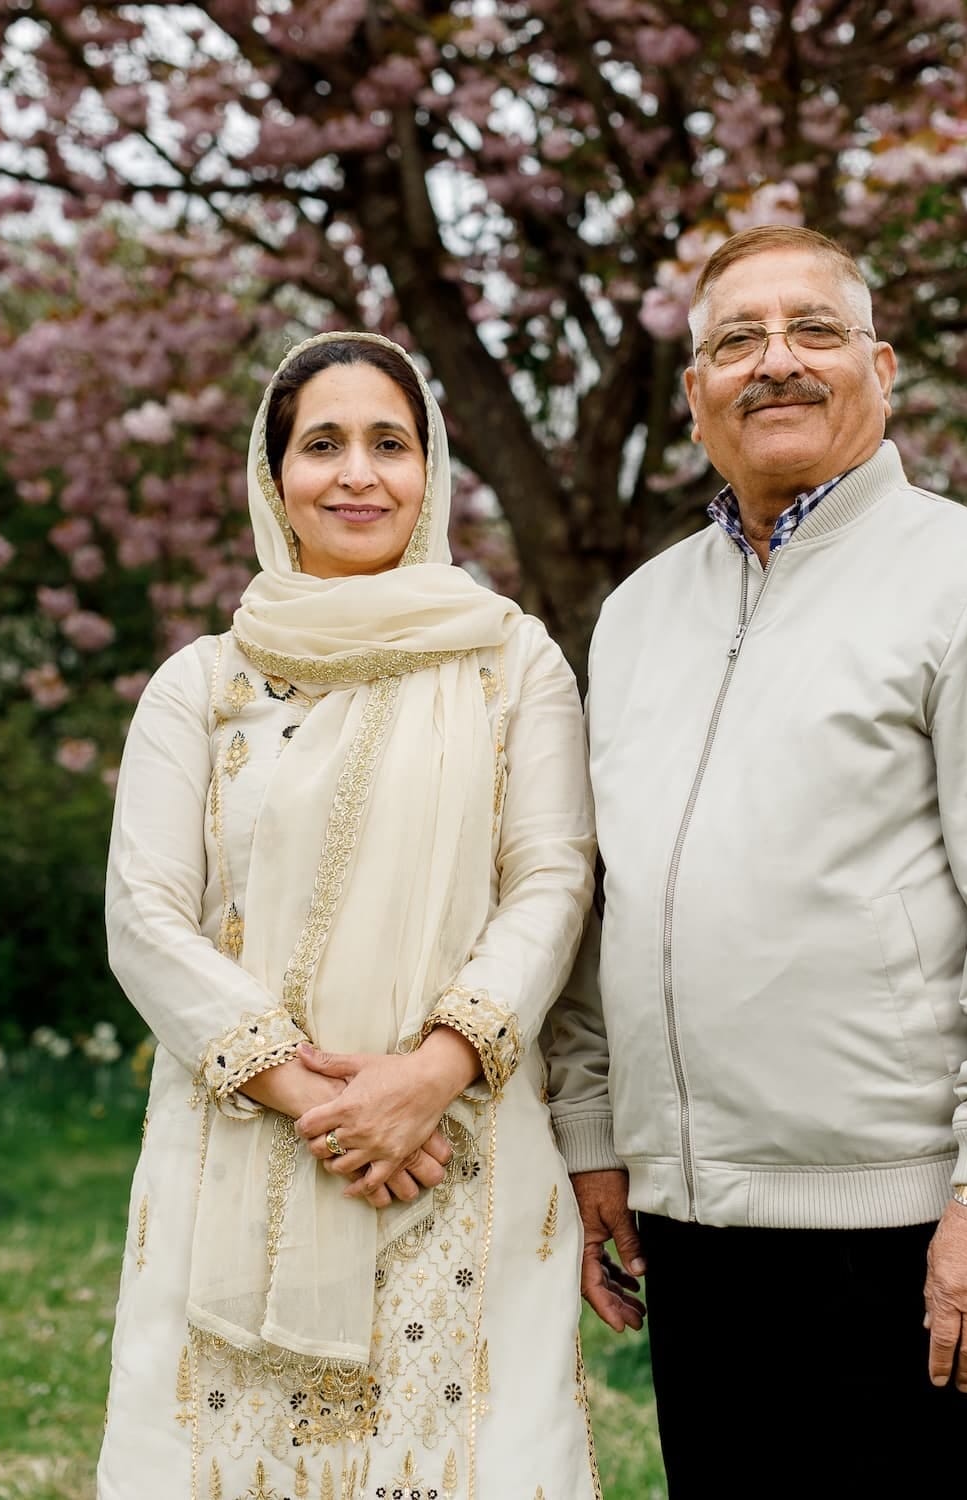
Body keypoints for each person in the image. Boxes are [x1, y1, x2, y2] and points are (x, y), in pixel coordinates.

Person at [545, 225, 967, 1496]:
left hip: (904, 1227)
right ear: (694, 391)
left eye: (812, 330)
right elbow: (596, 898)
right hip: (687, 1230)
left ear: (880, 365)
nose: (776, 363)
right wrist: (593, 1134)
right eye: (735, 340)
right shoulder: (637, 614)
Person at [98, 331, 602, 1500]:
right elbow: (144, 916)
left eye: (390, 443)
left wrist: (430, 1072)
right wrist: (317, 1099)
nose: (358, 475)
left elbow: (552, 879)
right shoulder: (204, 683)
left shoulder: (510, 662)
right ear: (273, 479)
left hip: (459, 1150)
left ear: (430, 473)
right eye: (321, 446)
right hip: (245, 1140)